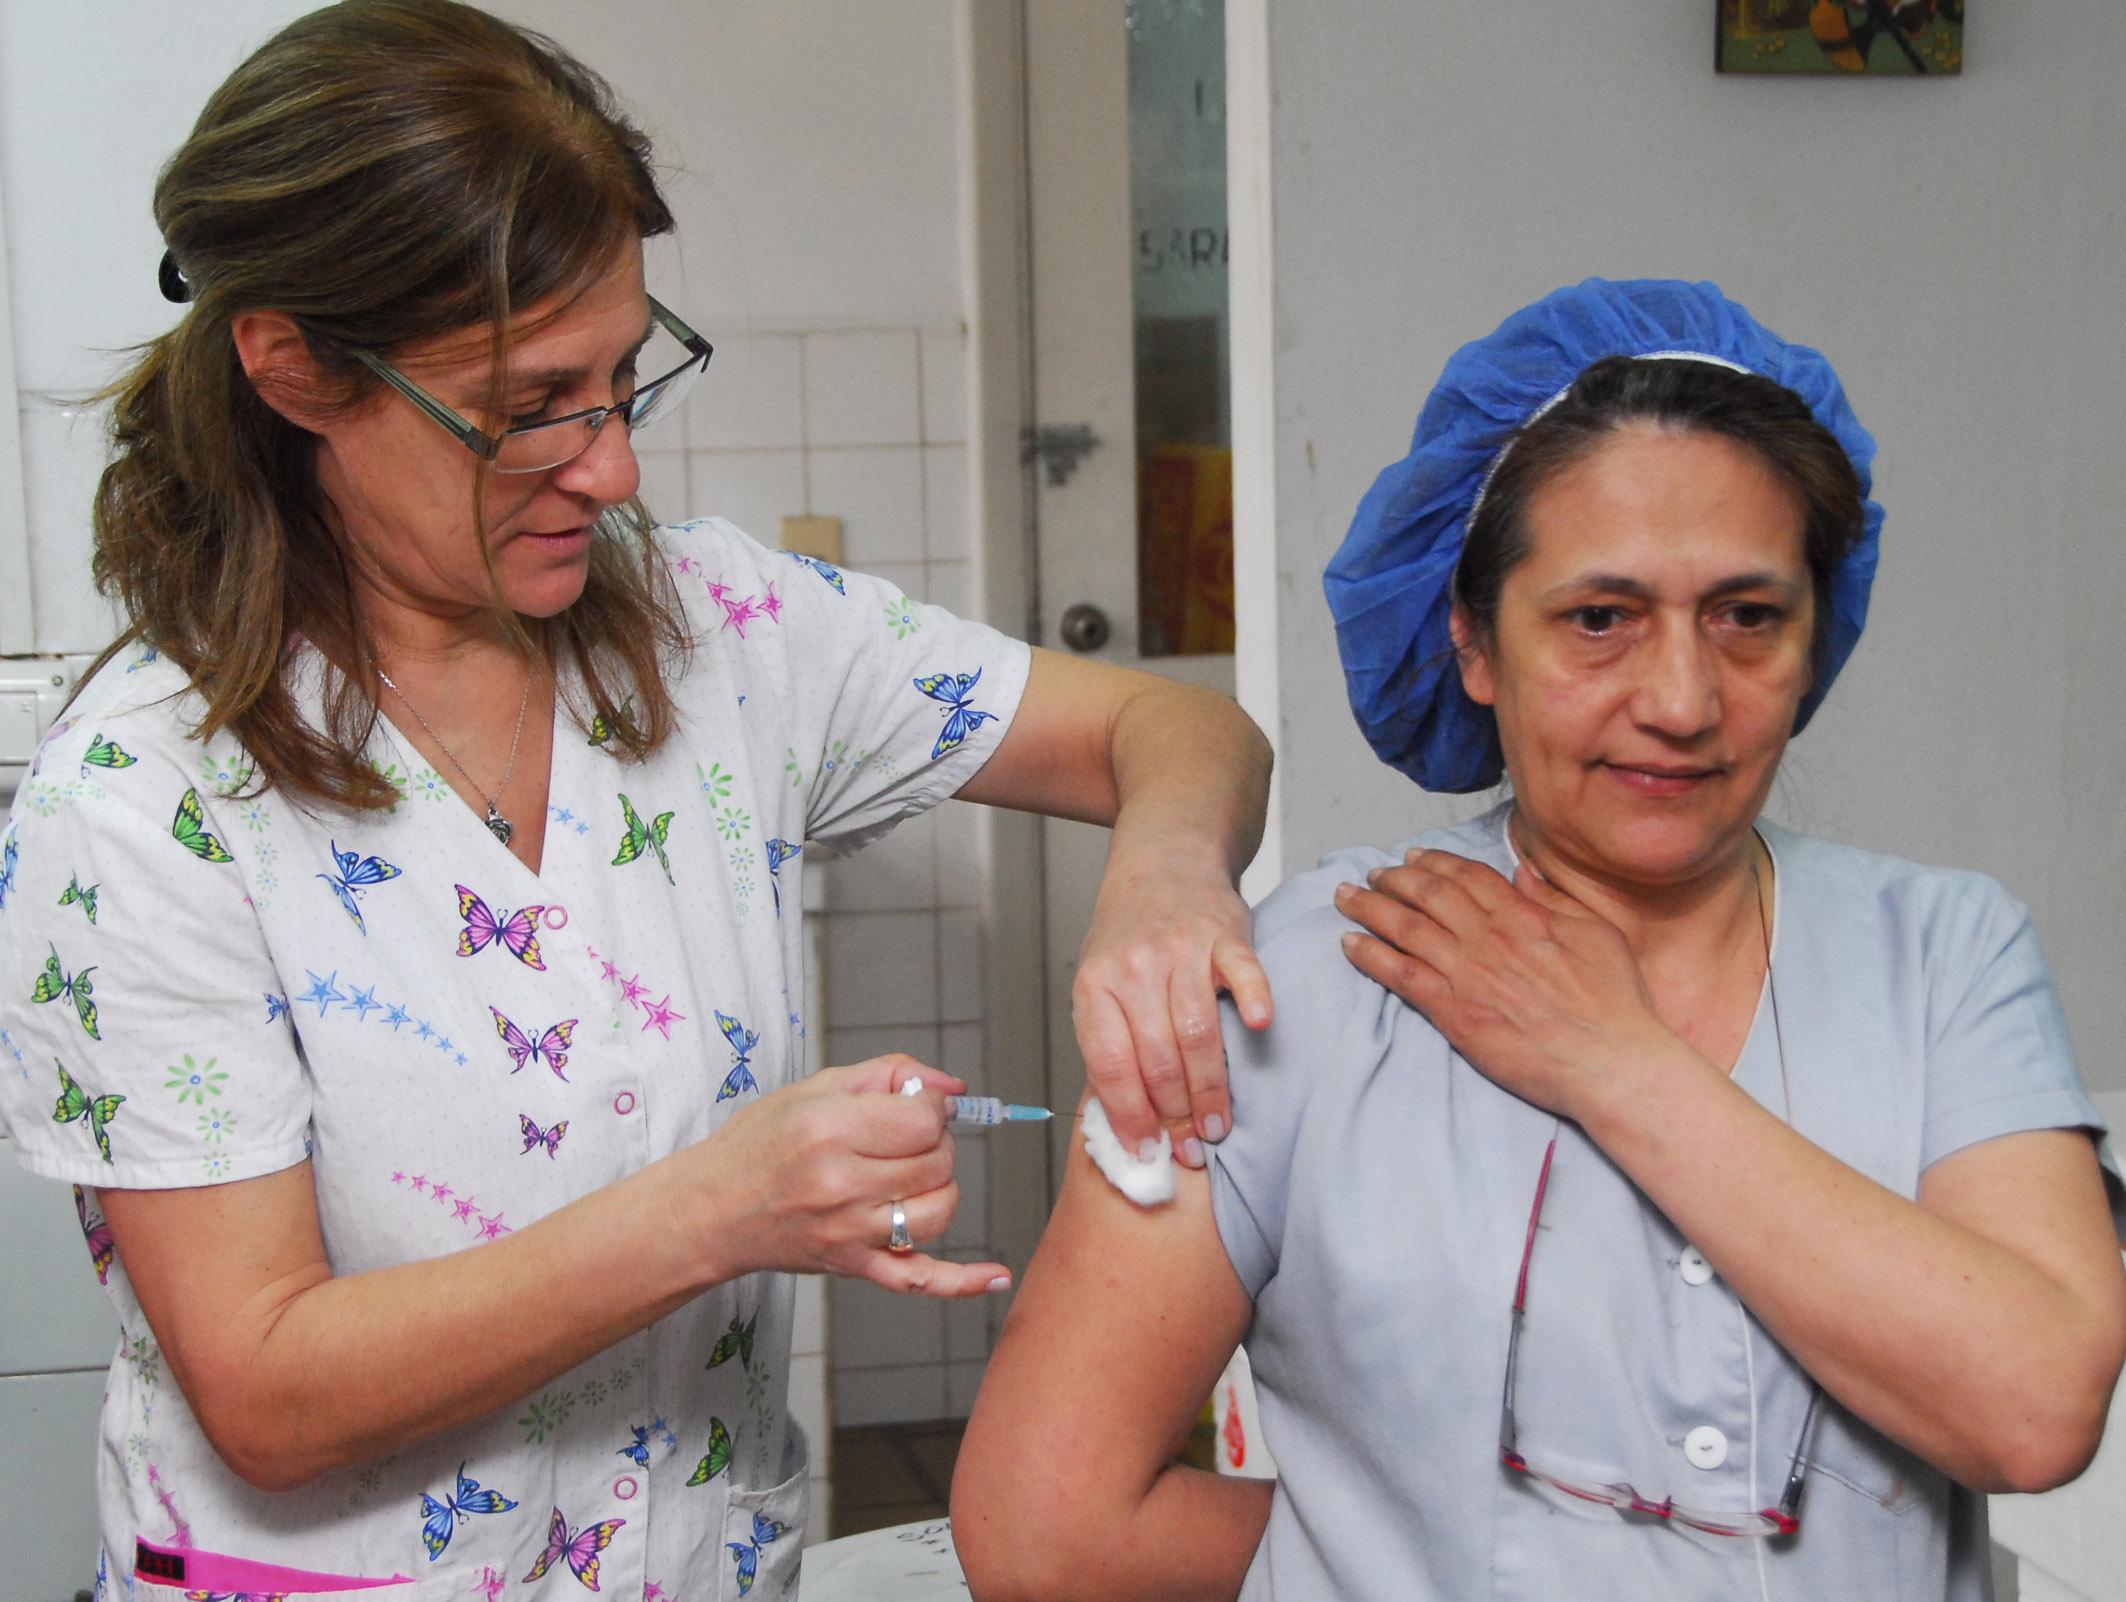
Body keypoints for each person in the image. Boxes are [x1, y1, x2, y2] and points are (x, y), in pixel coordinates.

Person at [0, 4, 1275, 1597]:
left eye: (623, 380)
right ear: (295, 367)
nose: (611, 470)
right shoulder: (143, 796)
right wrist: (719, 1206)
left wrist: (1166, 876)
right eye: (530, 404)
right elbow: (264, 1389)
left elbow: (1174, 727)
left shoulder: (716, 633)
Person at [954, 279, 2126, 1602]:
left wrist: (1612, 1061)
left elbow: (2032, 1408)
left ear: (1815, 631)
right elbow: (1045, 1528)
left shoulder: (1947, 954)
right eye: (1597, 617)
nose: (1680, 699)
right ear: (1470, 640)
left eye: (1746, 615)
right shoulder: (1297, 987)